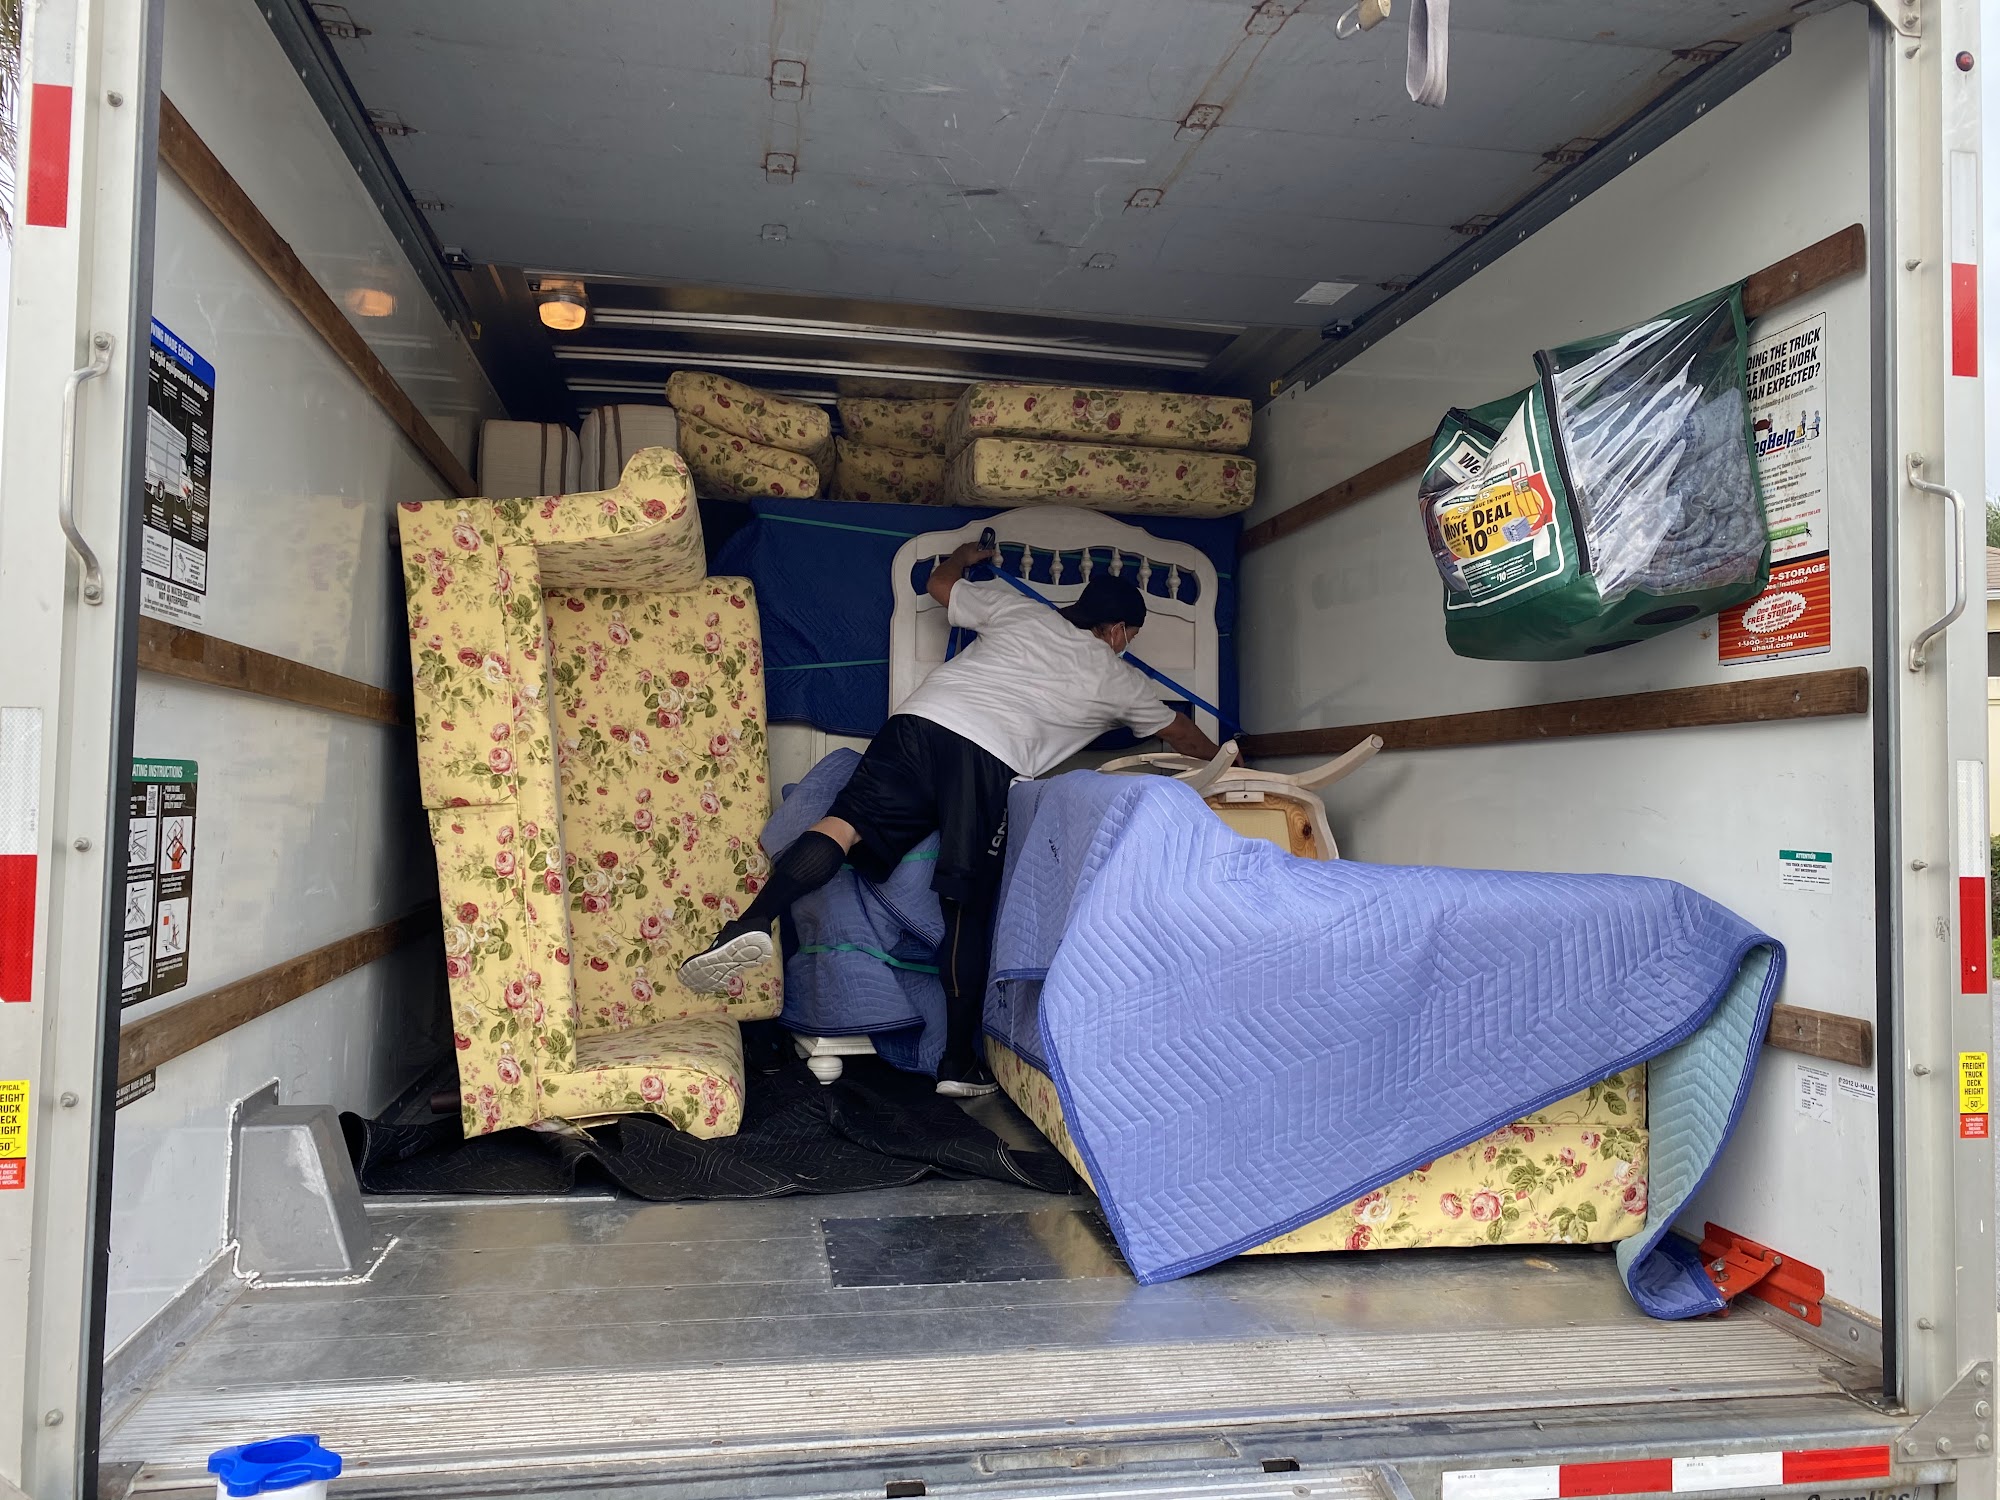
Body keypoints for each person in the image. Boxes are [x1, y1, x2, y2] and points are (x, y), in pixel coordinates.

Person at [679, 538, 1230, 1095]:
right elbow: (1183, 735)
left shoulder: (1021, 612)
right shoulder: (1121, 682)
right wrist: (1232, 759)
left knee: (843, 826)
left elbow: (939, 586)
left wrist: (963, 557)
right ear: (1116, 632)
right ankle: (956, 1064)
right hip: (986, 759)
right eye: (1129, 636)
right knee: (966, 906)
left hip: (917, 723)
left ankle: (750, 923)